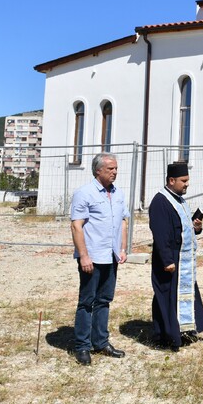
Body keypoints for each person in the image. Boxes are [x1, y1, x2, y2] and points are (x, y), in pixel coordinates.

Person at [70, 153, 129, 366]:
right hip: (92, 257)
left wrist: (122, 248)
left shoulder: (118, 193)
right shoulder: (84, 193)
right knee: (87, 302)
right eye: (110, 169)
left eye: (116, 168)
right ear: (98, 170)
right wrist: (84, 255)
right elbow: (76, 226)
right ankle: (82, 346)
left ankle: (101, 342)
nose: (115, 172)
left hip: (111, 256)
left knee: (104, 300)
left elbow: (123, 221)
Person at [148, 162, 203, 350]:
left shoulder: (179, 200)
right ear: (171, 180)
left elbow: (181, 227)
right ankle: (164, 337)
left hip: (183, 259)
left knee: (182, 296)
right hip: (170, 260)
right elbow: (161, 234)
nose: (187, 184)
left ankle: (182, 331)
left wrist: (196, 228)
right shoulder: (160, 202)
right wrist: (167, 260)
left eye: (187, 180)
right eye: (183, 181)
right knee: (166, 297)